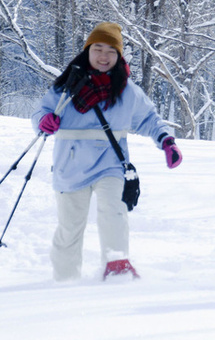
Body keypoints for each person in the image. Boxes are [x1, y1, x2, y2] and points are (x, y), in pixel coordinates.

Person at [31, 22, 182, 281]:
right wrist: (44, 121)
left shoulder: (128, 91)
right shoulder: (66, 87)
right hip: (71, 165)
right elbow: (40, 113)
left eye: (111, 50)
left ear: (119, 56)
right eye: (98, 48)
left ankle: (117, 266)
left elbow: (149, 119)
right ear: (87, 51)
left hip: (111, 163)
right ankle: (64, 281)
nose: (104, 56)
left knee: (114, 210)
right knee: (69, 228)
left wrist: (166, 140)